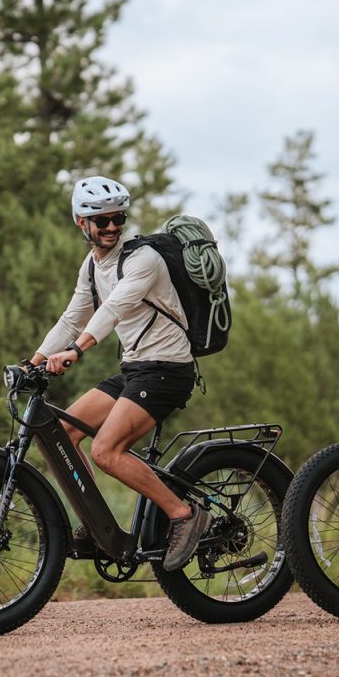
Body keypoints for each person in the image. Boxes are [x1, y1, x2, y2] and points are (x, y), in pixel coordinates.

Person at [31, 176, 209, 572]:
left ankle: (183, 515)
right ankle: (97, 525)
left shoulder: (144, 259)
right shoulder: (92, 265)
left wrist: (76, 351)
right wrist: (36, 359)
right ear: (82, 222)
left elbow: (114, 309)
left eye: (117, 218)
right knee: (63, 432)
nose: (112, 227)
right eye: (102, 221)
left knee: (106, 451)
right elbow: (72, 317)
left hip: (167, 368)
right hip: (135, 369)